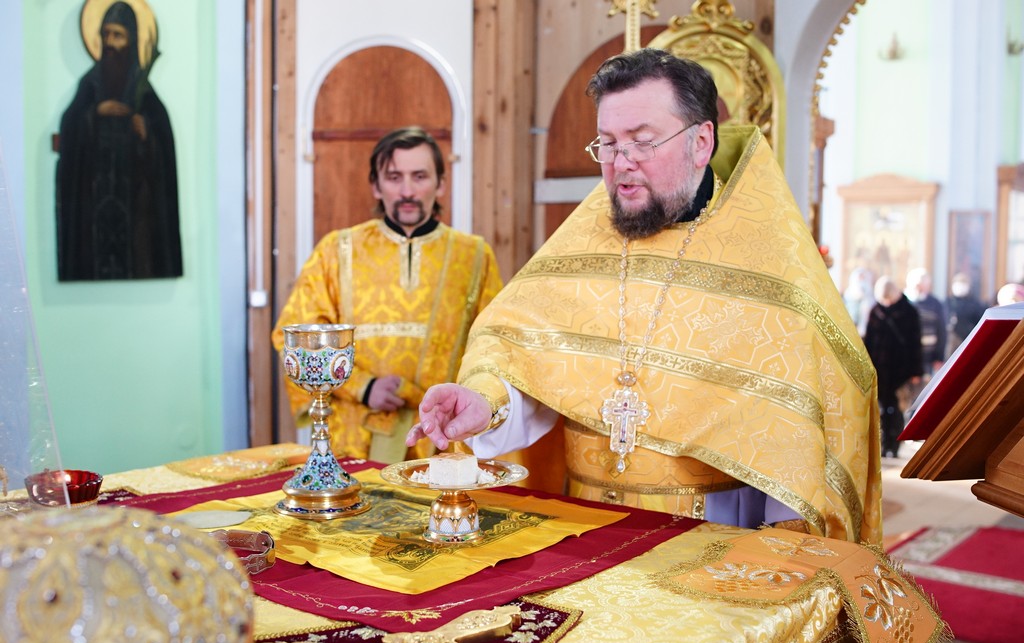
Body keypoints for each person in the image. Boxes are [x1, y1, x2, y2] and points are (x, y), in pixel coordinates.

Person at [407, 49, 882, 544]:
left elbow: (799, 428)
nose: (621, 163)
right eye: (609, 144)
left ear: (701, 142)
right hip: (582, 529)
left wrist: (783, 546)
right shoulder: (580, 243)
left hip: (712, 536)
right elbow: (527, 357)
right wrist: (485, 401)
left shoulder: (767, 261)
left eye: (642, 142)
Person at [272, 126, 503, 462]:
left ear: (440, 184)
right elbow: (297, 337)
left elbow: (494, 345)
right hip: (352, 436)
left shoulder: (474, 256)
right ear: (376, 186)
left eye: (419, 176)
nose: (407, 191)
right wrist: (363, 387)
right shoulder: (336, 251)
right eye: (394, 177)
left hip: (444, 437)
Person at [56, 1, 181, 281]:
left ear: (132, 39)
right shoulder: (90, 86)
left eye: (118, 35)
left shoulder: (143, 91)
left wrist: (146, 133)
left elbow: (163, 147)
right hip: (93, 212)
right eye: (106, 34)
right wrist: (94, 114)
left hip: (135, 212)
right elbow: (70, 131)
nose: (110, 43)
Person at [863, 277, 923, 459]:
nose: (887, 302)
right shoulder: (875, 311)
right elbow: (868, 341)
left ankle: (894, 445)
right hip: (879, 368)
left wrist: (916, 371)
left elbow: (915, 343)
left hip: (900, 368)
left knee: (896, 408)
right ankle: (883, 445)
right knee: (880, 408)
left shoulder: (909, 311)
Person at [904, 268, 947, 375]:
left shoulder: (935, 304)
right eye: (917, 285)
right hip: (905, 357)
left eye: (923, 285)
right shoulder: (903, 302)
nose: (919, 288)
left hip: (927, 357)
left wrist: (939, 357)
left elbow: (941, 331)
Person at [946, 272, 985, 355]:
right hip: (951, 343)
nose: (960, 287)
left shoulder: (975, 304)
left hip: (968, 340)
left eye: (963, 283)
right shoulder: (948, 302)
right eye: (958, 283)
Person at [843, 266, 876, 337]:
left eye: (863, 278)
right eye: (860, 278)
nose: (861, 281)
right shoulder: (848, 294)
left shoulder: (870, 295)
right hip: (852, 325)